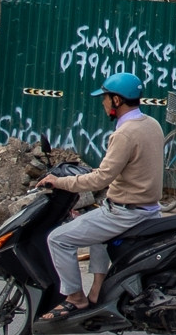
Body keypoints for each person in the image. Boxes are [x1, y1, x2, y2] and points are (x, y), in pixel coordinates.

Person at [34, 72, 164, 321]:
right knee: (95, 225)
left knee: (58, 239)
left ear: (116, 100)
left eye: (104, 98)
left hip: (126, 213)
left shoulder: (124, 134)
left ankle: (74, 298)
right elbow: (125, 167)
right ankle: (97, 289)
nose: (103, 103)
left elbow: (100, 179)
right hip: (149, 207)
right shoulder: (152, 124)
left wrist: (59, 181)